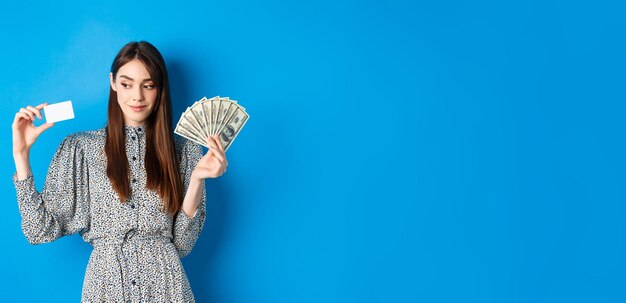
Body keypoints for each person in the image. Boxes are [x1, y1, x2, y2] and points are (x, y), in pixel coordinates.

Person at [11, 41, 227, 302]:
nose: (137, 96)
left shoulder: (184, 151)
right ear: (112, 82)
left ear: (160, 89)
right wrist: (21, 156)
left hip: (167, 288)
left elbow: (182, 244)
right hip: (106, 288)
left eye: (148, 85)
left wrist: (197, 180)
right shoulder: (82, 149)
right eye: (127, 84)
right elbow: (38, 231)